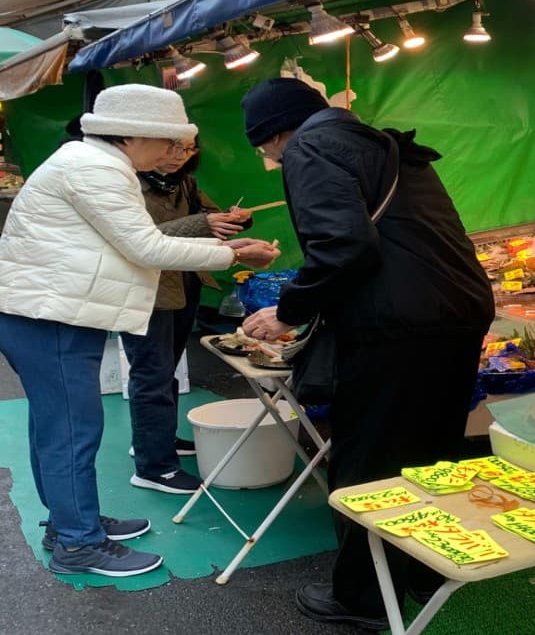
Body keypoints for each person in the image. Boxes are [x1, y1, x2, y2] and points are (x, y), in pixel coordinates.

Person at [238, 78, 494, 630]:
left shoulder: (308, 148)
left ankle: (363, 599)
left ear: (277, 133)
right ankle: (427, 570)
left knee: (368, 458)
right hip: (459, 310)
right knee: (432, 450)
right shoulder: (380, 143)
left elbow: (343, 245)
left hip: (397, 326)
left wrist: (288, 311)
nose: (268, 157)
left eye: (263, 148)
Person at [0, 83, 280, 578]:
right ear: (134, 135)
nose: (174, 153)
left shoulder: (93, 162)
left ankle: (70, 521)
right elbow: (146, 246)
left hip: (52, 312)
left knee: (56, 427)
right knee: (70, 430)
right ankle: (76, 542)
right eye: (169, 141)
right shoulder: (96, 169)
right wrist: (234, 253)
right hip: (52, 317)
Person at [122, 137, 255, 494]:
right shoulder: (125, 182)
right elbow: (137, 239)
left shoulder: (185, 183)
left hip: (184, 283)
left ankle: (157, 440)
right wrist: (204, 224)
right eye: (171, 147)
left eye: (187, 150)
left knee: (167, 368)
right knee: (151, 373)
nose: (178, 156)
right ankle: (153, 467)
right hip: (147, 291)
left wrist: (238, 219)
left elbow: (212, 219)